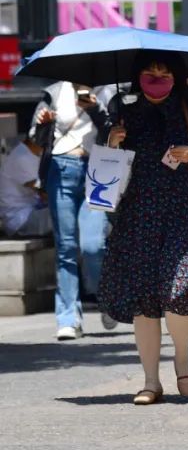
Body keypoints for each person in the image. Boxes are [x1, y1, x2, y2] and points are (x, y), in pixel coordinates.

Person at [99, 56, 188, 403]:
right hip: (137, 214)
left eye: (164, 73)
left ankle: (182, 357)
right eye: (149, 73)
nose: (157, 79)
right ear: (137, 77)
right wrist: (112, 143)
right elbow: (103, 171)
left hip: (182, 213)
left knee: (179, 288)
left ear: (177, 77)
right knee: (144, 299)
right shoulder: (122, 113)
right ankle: (150, 381)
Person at [29, 81, 112, 340]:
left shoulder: (109, 92)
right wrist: (43, 122)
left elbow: (119, 133)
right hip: (61, 167)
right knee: (66, 247)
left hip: (101, 168)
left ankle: (106, 297)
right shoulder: (54, 92)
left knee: (93, 245)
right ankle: (68, 318)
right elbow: (35, 138)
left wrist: (96, 110)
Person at [0, 137, 51, 237]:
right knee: (66, 213)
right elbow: (44, 193)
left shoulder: (26, 153)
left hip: (30, 211)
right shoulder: (22, 157)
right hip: (20, 219)